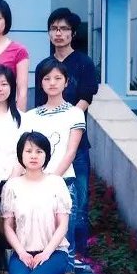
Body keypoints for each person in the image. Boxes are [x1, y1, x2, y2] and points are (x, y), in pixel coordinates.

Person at [1, 132, 72, 274]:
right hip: (22, 252)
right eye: (29, 151)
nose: (33, 156)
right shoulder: (12, 186)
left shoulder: (56, 183)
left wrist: (46, 253)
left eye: (39, 151)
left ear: (46, 155)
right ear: (20, 154)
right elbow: (8, 226)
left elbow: (63, 225)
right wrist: (21, 252)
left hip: (54, 252)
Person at [34, 8, 97, 261]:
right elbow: (40, 106)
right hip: (48, 146)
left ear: (72, 33)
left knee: (78, 201)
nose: (58, 33)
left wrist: (66, 120)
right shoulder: (44, 66)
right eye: (54, 29)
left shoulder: (83, 62)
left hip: (75, 144)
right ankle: (55, 252)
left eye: (63, 29)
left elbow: (86, 98)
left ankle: (78, 256)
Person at [20, 59, 86, 262]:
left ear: (66, 82)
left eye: (58, 78)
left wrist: (50, 180)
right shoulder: (30, 116)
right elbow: (24, 151)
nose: (52, 83)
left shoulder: (75, 113)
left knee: (65, 240)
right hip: (31, 184)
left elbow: (71, 152)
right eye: (47, 78)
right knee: (36, 237)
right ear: (40, 82)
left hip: (63, 183)